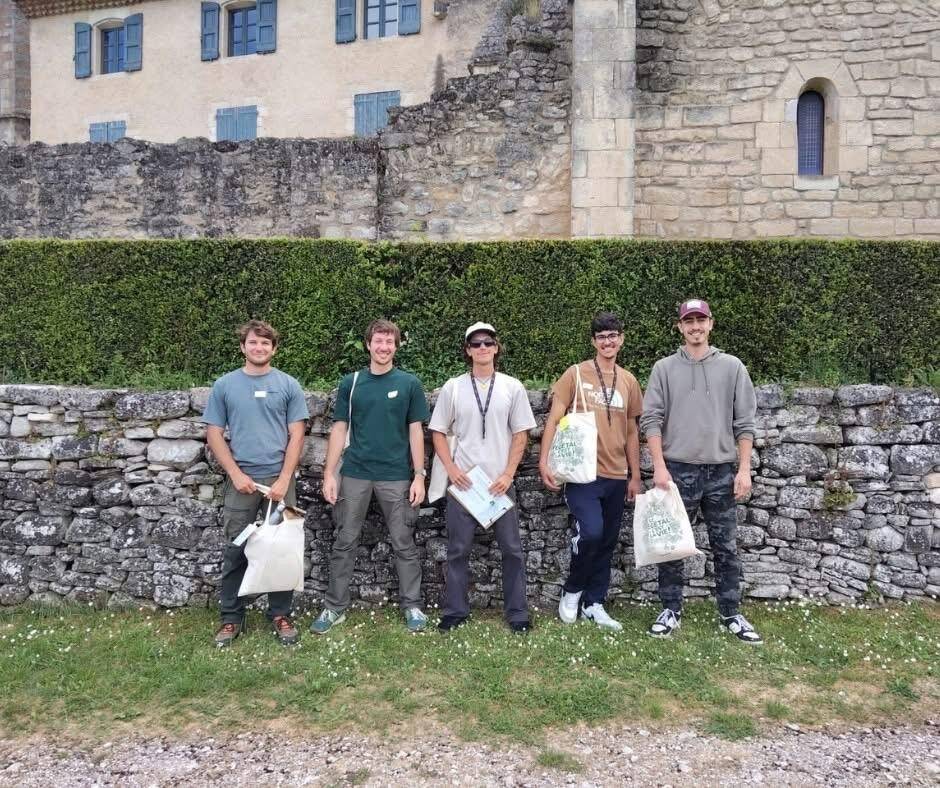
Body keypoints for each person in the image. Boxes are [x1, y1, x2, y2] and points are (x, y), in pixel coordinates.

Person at [640, 298, 762, 644]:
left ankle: (731, 611)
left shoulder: (733, 367)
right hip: (678, 470)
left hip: (722, 471)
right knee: (672, 546)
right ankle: (670, 610)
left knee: (726, 547)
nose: (695, 327)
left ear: (711, 324)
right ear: (680, 327)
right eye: (688, 321)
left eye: (701, 320)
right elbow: (651, 419)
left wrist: (743, 470)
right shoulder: (663, 368)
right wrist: (660, 468)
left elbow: (745, 423)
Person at [312, 319, 430, 634]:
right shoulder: (351, 383)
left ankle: (413, 606)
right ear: (368, 344)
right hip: (355, 473)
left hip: (396, 475)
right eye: (378, 341)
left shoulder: (409, 383)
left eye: (389, 342)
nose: (383, 347)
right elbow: (339, 429)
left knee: (404, 542)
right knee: (344, 541)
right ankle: (334, 607)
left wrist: (419, 475)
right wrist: (329, 473)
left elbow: (416, 431)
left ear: (397, 346)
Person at [204, 320, 310, 648]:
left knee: (284, 547)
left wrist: (283, 479)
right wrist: (235, 474)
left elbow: (297, 435)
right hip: (241, 481)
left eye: (265, 344)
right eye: (253, 343)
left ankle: (280, 614)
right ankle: (231, 618)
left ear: (273, 349)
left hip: (282, 485)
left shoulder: (288, 385)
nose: (259, 348)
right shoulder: (224, 386)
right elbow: (213, 434)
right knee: (236, 548)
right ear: (243, 347)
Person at [429, 322, 537, 633]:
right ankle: (455, 611)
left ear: (496, 347)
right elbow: (437, 431)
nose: (482, 348)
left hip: (499, 484)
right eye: (475, 344)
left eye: (488, 342)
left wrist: (508, 473)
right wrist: (451, 470)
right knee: (457, 550)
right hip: (464, 485)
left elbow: (521, 433)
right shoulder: (453, 387)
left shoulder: (512, 387)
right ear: (467, 350)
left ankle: (517, 614)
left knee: (512, 551)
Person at [540, 312, 643, 631]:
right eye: (601, 337)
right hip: (582, 473)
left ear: (621, 339)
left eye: (613, 335)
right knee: (593, 532)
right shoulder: (575, 374)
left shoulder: (628, 381)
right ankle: (572, 591)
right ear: (593, 342)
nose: (608, 341)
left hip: (616, 473)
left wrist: (635, 475)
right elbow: (554, 419)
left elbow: (631, 431)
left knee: (608, 540)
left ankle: (594, 603)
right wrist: (544, 461)